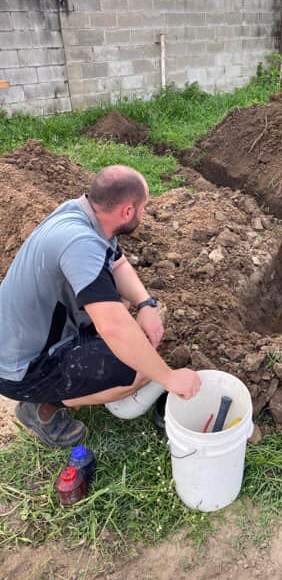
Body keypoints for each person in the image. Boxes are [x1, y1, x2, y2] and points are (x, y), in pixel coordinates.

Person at [0, 165, 201, 447]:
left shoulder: (84, 214)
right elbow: (114, 327)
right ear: (128, 212)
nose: (144, 215)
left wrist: (146, 304)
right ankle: (40, 407)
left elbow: (117, 263)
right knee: (139, 370)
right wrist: (168, 377)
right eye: (143, 208)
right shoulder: (81, 244)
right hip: (21, 367)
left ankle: (78, 368)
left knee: (124, 314)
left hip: (28, 336)